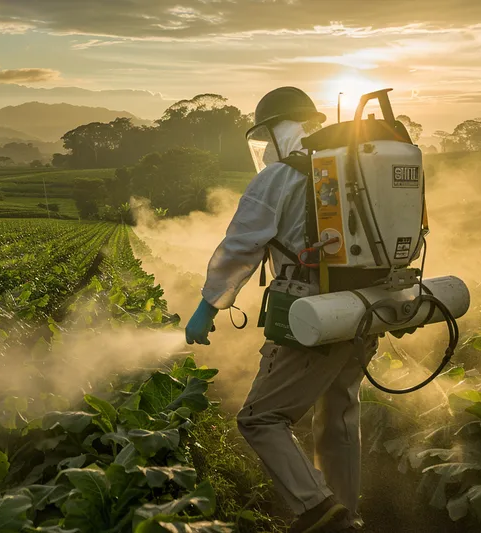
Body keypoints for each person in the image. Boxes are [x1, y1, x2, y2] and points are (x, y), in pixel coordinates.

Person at [185, 87, 376, 533]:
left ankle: (318, 511)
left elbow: (240, 247)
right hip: (364, 310)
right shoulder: (353, 169)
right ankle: (347, 514)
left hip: (312, 311)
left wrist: (207, 307)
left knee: (260, 418)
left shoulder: (280, 175)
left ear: (273, 129)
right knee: (339, 414)